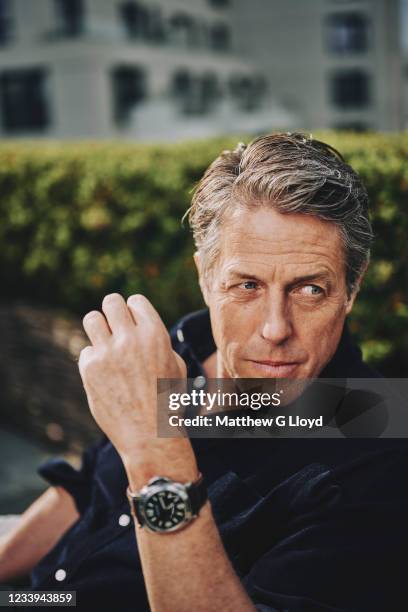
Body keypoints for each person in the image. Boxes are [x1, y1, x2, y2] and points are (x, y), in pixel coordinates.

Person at [1, 133, 407, 611]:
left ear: (351, 289)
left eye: (310, 290)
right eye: (247, 285)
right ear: (205, 278)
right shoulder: (176, 350)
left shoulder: (379, 453)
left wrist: (157, 458)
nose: (275, 328)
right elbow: (89, 486)